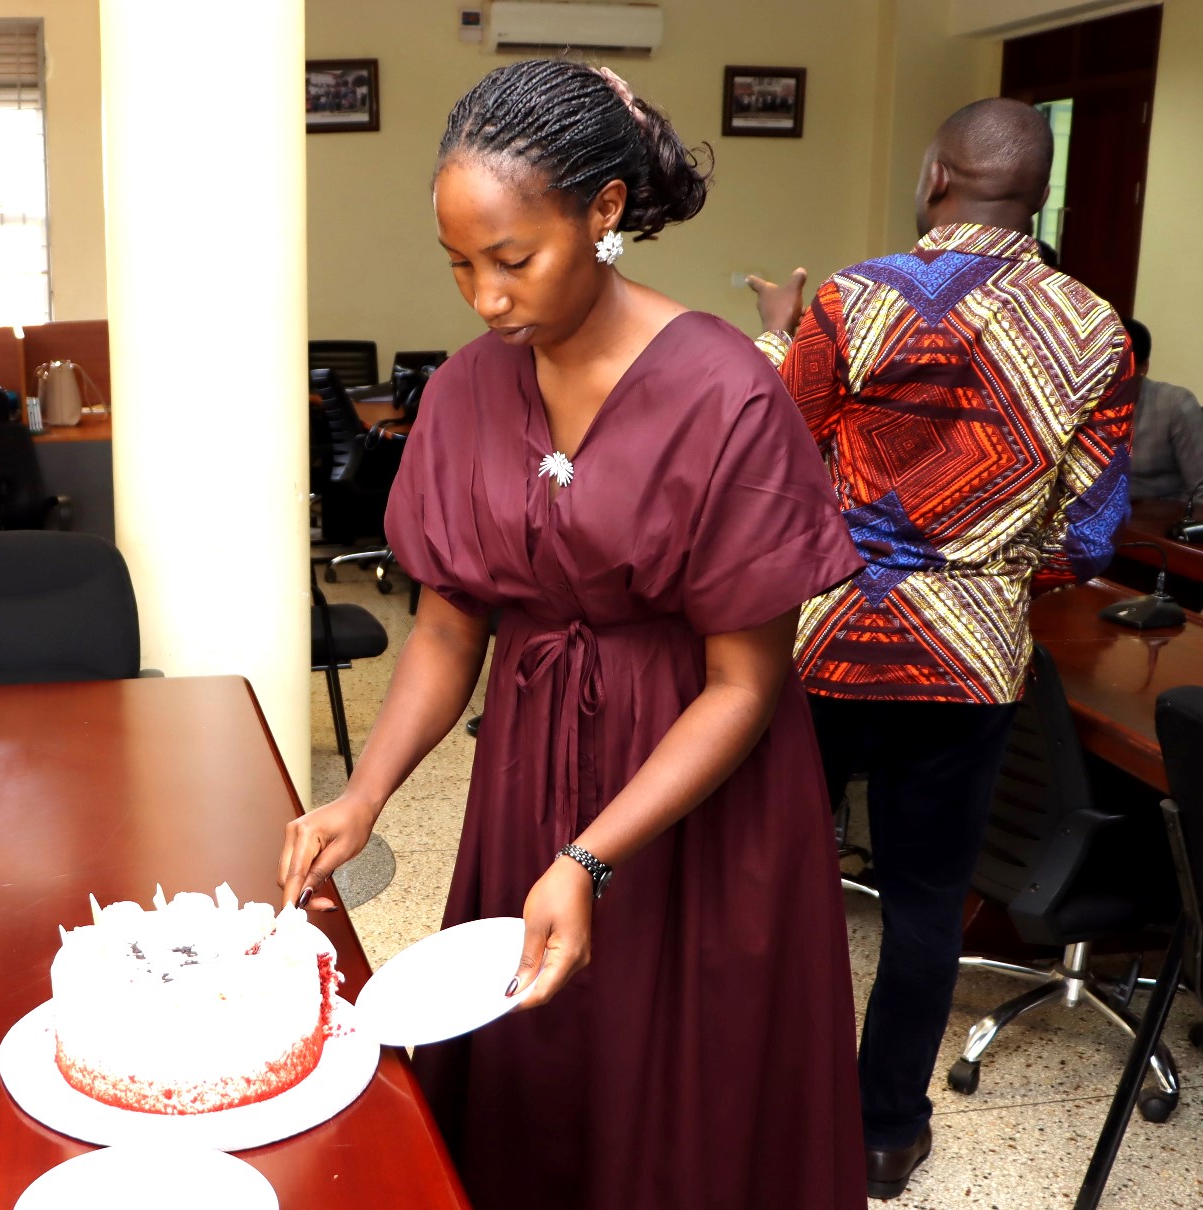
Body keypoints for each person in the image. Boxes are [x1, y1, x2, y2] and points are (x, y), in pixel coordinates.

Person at [280, 59, 867, 1210]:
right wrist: (364, 794)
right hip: (531, 765)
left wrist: (590, 855)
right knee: (537, 1064)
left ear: (603, 212)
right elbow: (447, 628)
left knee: (680, 1078)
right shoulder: (465, 391)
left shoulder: (725, 394)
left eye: (512, 259)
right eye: (459, 264)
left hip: (696, 789)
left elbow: (744, 685)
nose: (485, 298)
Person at [747, 98, 1135, 1199]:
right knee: (925, 902)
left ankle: (765, 1098)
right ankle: (884, 1134)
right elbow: (1090, 537)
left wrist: (779, 332)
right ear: (1040, 196)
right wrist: (985, 570)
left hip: (824, 643)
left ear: (932, 179)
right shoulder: (1094, 329)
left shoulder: (853, 298)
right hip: (968, 665)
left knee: (779, 879)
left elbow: (772, 443)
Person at [1124, 319, 1203, 502]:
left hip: (1160, 513)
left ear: (1143, 367)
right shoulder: (1078, 403)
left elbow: (1200, 489)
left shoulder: (1175, 405)